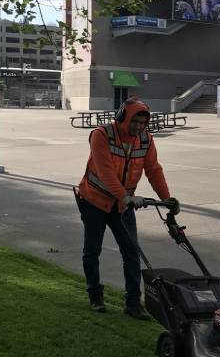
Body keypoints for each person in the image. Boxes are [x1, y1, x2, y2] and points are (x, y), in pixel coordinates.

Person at [75, 98, 179, 319]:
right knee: (92, 251)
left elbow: (153, 169)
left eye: (143, 123)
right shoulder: (101, 135)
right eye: (135, 121)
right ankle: (95, 296)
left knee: (131, 253)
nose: (139, 127)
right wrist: (125, 197)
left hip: (122, 207)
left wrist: (167, 199)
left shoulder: (146, 140)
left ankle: (133, 303)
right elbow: (105, 172)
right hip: (94, 202)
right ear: (123, 117)